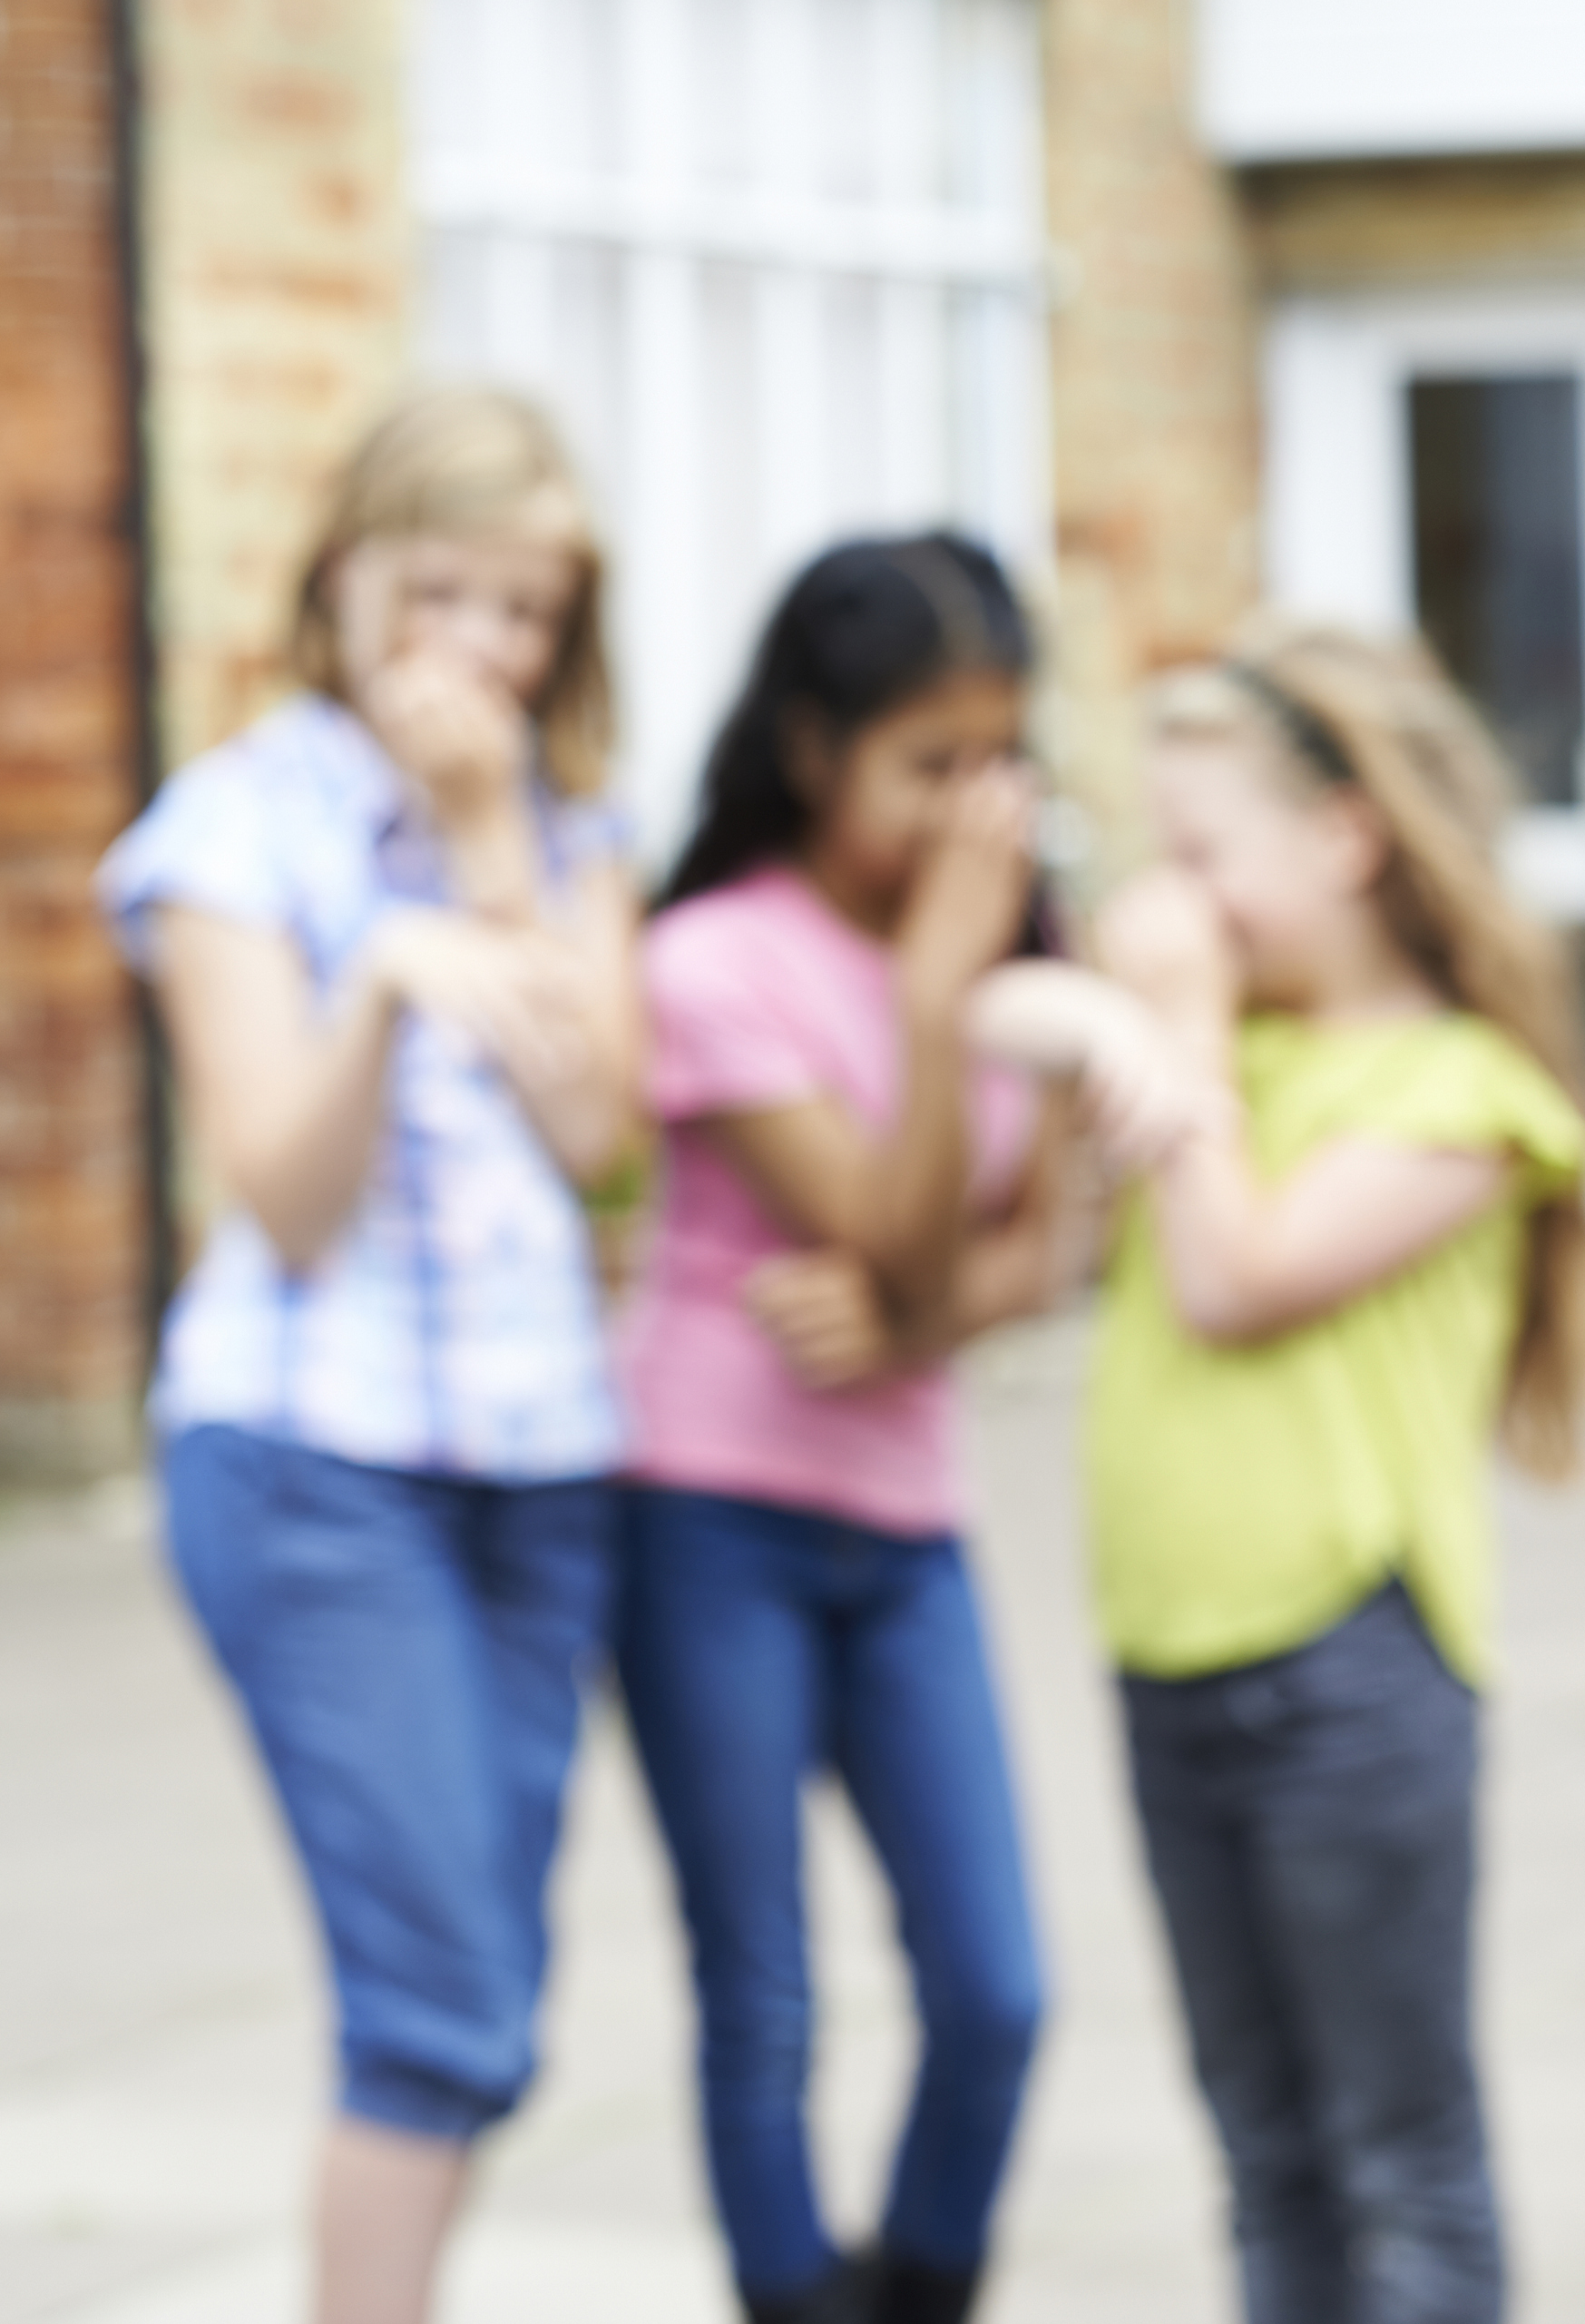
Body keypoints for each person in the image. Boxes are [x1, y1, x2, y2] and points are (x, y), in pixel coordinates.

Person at [972, 627, 1585, 2324]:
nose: (1172, 902)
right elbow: (1003, 1003)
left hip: (1348, 1671)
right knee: (1260, 2148)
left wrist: (1166, 1035)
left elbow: (1231, 1280)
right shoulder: (1211, 1068)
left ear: (1345, 840)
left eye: (1201, 857)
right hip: (1167, 1657)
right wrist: (1115, 1016)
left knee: (1398, 2153)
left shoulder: (1463, 1095)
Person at [93, 386, 641, 2324]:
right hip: (317, 1463)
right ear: (340, 585)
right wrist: (389, 986)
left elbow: (608, 1145)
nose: (485, 649)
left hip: (539, 1468)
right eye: (445, 595)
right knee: (444, 2005)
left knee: (475, 2002)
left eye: (528, 610)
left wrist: (489, 839)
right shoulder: (233, 828)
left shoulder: (570, 830)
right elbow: (286, 1195)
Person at [614, 534, 1189, 2324]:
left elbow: (1043, 1248)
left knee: (996, 1983)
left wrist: (919, 1305)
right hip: (709, 1514)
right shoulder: (714, 960)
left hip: (904, 1515)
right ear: (810, 746)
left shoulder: (1027, 952)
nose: (972, 812)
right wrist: (943, 1010)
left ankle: (918, 2291)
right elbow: (895, 1222)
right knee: (763, 1988)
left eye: (998, 761)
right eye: (926, 766)